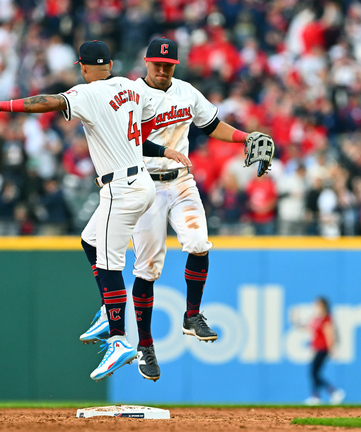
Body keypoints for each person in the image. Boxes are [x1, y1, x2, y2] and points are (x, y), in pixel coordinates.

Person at [0, 40, 191, 381]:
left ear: (83, 66)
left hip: (122, 188)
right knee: (90, 242)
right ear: (110, 64)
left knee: (109, 265)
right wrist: (165, 149)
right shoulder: (128, 87)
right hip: (140, 182)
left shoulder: (87, 93)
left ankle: (119, 340)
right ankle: (109, 309)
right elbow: (133, 136)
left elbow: (47, 101)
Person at [78, 37, 274, 382]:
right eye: (157, 64)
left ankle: (192, 315)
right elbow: (127, 139)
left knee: (199, 244)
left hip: (181, 181)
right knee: (147, 269)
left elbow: (211, 126)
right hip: (143, 184)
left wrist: (245, 137)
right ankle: (146, 347)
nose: (163, 70)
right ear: (146, 62)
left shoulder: (186, 91)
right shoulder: (130, 95)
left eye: (168, 65)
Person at [304, 297, 345, 405]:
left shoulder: (326, 318)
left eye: (316, 304)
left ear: (322, 305)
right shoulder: (316, 319)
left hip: (323, 348)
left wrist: (332, 349)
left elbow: (329, 334)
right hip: (317, 348)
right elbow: (307, 328)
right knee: (314, 373)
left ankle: (333, 392)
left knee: (314, 372)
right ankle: (316, 396)